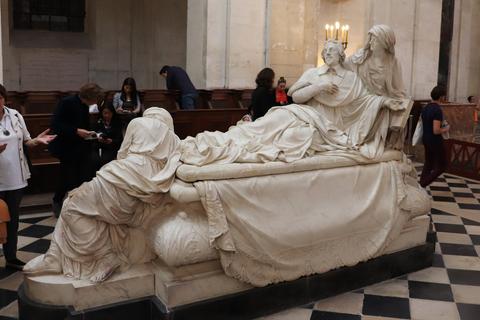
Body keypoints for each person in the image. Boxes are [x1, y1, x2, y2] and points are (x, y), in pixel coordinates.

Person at [181, 40, 404, 166]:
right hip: (300, 112)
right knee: (269, 123)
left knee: (292, 136)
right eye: (324, 51)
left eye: (331, 51)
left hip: (324, 127)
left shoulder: (352, 79)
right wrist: (319, 87)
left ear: (341, 55)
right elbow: (295, 96)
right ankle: (222, 141)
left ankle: (230, 147)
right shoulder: (315, 73)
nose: (327, 54)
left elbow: (365, 100)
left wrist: (385, 101)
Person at [24, 108, 181, 283]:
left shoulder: (138, 123)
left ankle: (103, 256)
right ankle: (54, 258)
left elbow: (123, 152)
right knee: (72, 203)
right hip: (143, 183)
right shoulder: (173, 139)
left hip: (124, 175)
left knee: (72, 206)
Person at [0, 84, 56, 270]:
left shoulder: (15, 115)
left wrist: (36, 141)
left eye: (0, 98)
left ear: (4, 99)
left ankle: (11, 257)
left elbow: (26, 141)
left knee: (13, 219)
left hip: (15, 177)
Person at [49, 83, 104, 217]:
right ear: (90, 96)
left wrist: (92, 134)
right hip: (66, 147)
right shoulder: (67, 102)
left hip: (81, 147)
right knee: (66, 177)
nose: (97, 102)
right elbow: (56, 125)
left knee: (83, 177)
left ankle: (78, 205)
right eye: (96, 98)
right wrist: (76, 131)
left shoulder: (85, 105)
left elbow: (83, 125)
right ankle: (57, 201)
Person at [419, 86, 450, 188]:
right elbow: (436, 130)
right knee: (442, 166)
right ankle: (424, 183)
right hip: (435, 140)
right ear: (441, 97)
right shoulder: (437, 109)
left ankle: (421, 184)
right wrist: (446, 129)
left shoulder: (426, 107)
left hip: (426, 139)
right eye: (444, 97)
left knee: (429, 163)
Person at [92, 103, 123, 170]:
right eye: (105, 113)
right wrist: (98, 137)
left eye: (109, 113)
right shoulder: (98, 122)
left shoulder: (117, 122)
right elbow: (93, 134)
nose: (107, 115)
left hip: (112, 147)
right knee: (94, 160)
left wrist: (111, 141)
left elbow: (120, 139)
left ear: (113, 113)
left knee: (105, 161)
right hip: (98, 145)